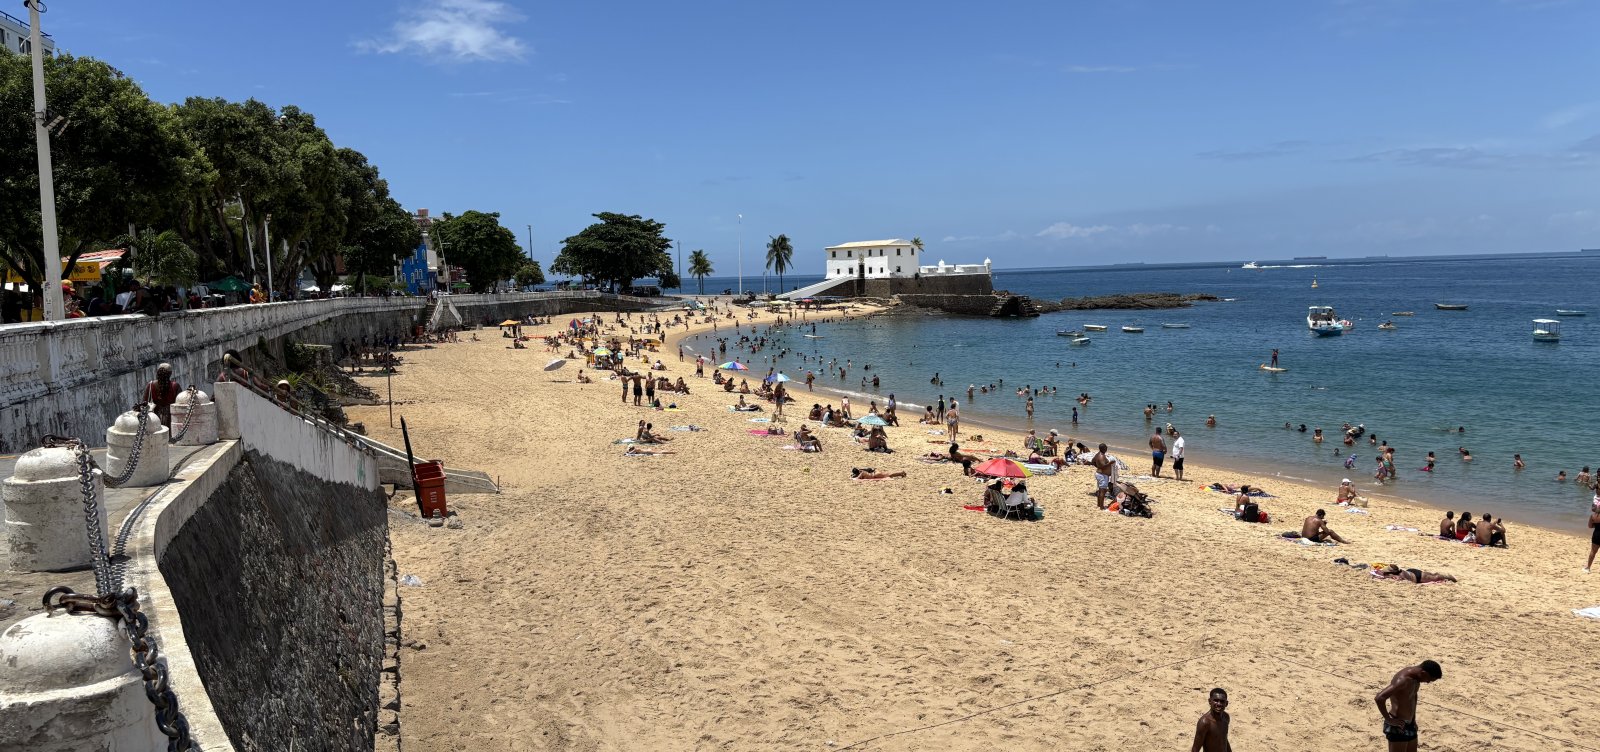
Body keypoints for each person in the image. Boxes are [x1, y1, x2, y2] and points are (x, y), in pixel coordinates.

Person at [1375, 659, 1443, 752]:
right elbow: (1379, 698)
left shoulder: (1416, 678)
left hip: (1410, 724)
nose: (1427, 682)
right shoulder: (1403, 680)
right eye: (1429, 680)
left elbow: (1413, 696)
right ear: (1423, 673)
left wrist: (1413, 719)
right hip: (1399, 724)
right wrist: (1389, 720)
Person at [1191, 688, 1232, 752]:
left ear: (1226, 703)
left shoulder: (1226, 717)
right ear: (1210, 701)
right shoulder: (1205, 723)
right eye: (1216, 700)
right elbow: (1195, 749)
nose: (1219, 704)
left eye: (1222, 701)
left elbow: (1224, 739)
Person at [143, 363, 182, 428]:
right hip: (171, 418)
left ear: (158, 373)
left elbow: (144, 402)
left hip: (156, 418)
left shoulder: (150, 385)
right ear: (170, 374)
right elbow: (180, 403)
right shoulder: (175, 386)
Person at [1091, 443, 1117, 510]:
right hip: (1102, 475)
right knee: (1103, 491)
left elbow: (1092, 461)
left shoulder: (1098, 454)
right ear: (1104, 448)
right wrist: (1110, 463)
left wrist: (1098, 467)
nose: (1107, 448)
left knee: (1100, 491)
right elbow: (1103, 466)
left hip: (1100, 474)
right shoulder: (1101, 456)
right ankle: (1102, 507)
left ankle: (1099, 504)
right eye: (1106, 448)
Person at [1378, 565, 1457, 585]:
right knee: (1433, 575)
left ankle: (1451, 578)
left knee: (1436, 576)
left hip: (1418, 576)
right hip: (1410, 572)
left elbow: (1401, 580)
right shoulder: (1395, 573)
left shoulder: (1400, 576)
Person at [1586, 499, 1600, 573]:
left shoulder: (1593, 516)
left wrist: (1596, 526)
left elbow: (1590, 526)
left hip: (1597, 534)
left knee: (1593, 552)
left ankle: (1588, 568)